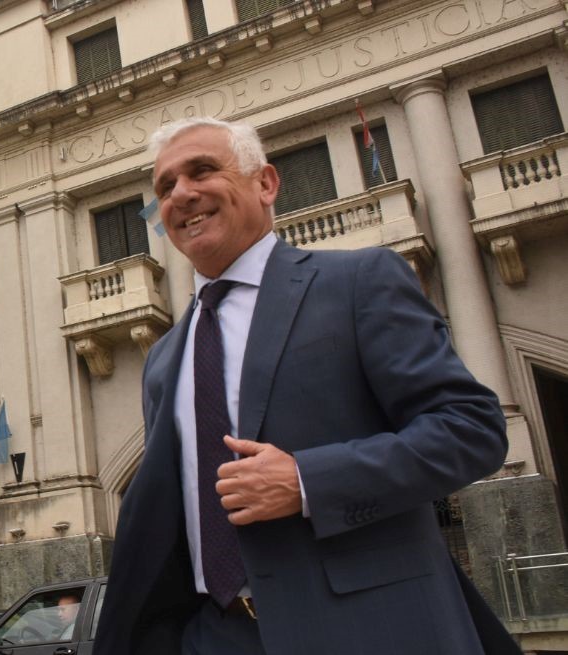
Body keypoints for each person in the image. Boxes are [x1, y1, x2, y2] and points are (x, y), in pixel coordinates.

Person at [92, 117, 520, 655]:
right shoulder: (162, 359)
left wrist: (306, 481)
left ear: (266, 183)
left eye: (202, 171)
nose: (181, 194)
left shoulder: (360, 281)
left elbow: (471, 430)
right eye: (166, 186)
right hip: (215, 636)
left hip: (366, 631)